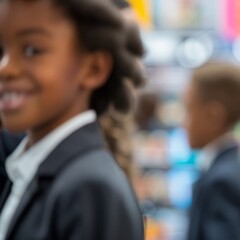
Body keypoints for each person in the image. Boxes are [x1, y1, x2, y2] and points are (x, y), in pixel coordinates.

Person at [0, 0, 146, 239]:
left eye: (32, 50)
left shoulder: (90, 187)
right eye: (2, 50)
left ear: (93, 68)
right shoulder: (30, 171)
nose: (5, 69)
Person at [183, 61, 240, 240]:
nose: (183, 123)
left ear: (212, 116)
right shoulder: (225, 169)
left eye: (188, 110)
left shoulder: (221, 181)